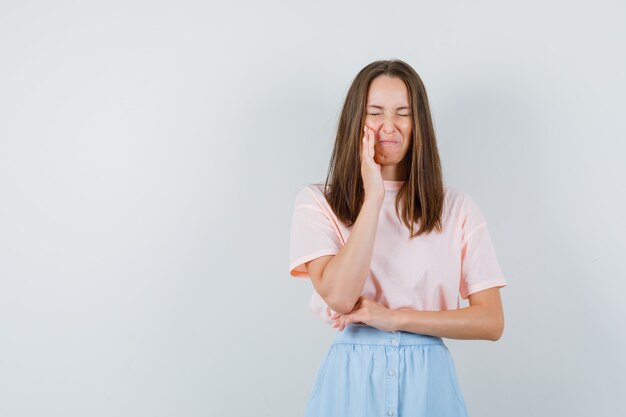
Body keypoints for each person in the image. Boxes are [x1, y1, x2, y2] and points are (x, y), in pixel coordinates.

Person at [288, 59, 507, 417]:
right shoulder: (316, 202)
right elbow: (341, 297)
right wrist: (373, 195)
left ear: (419, 123)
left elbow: (491, 321)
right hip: (352, 381)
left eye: (403, 113)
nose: (388, 126)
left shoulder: (455, 207)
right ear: (355, 121)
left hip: (429, 383)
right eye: (375, 112)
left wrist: (395, 318)